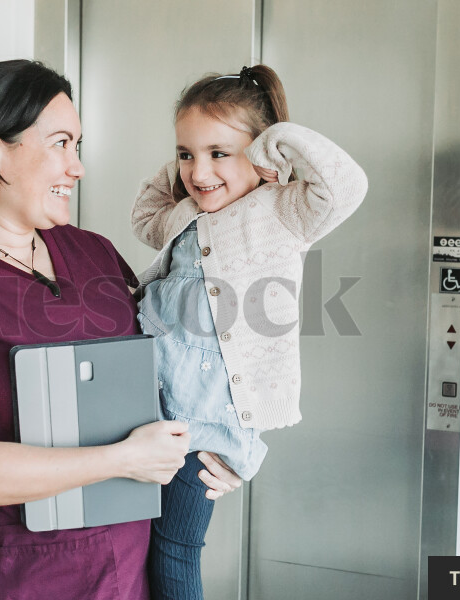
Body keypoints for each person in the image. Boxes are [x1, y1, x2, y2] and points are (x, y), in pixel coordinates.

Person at [0, 59, 242, 600]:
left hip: (138, 573)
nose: (78, 167)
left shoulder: (91, 253)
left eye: (79, 146)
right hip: (30, 581)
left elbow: (171, 378)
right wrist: (122, 460)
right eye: (61, 144)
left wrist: (215, 453)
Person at [130, 64, 368, 599]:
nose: (199, 170)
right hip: (151, 408)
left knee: (175, 551)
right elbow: (145, 216)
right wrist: (180, 169)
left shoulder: (283, 210)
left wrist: (278, 140)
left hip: (208, 426)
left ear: (260, 152)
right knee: (133, 545)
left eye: (219, 153)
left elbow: (347, 185)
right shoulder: (187, 213)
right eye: (187, 153)